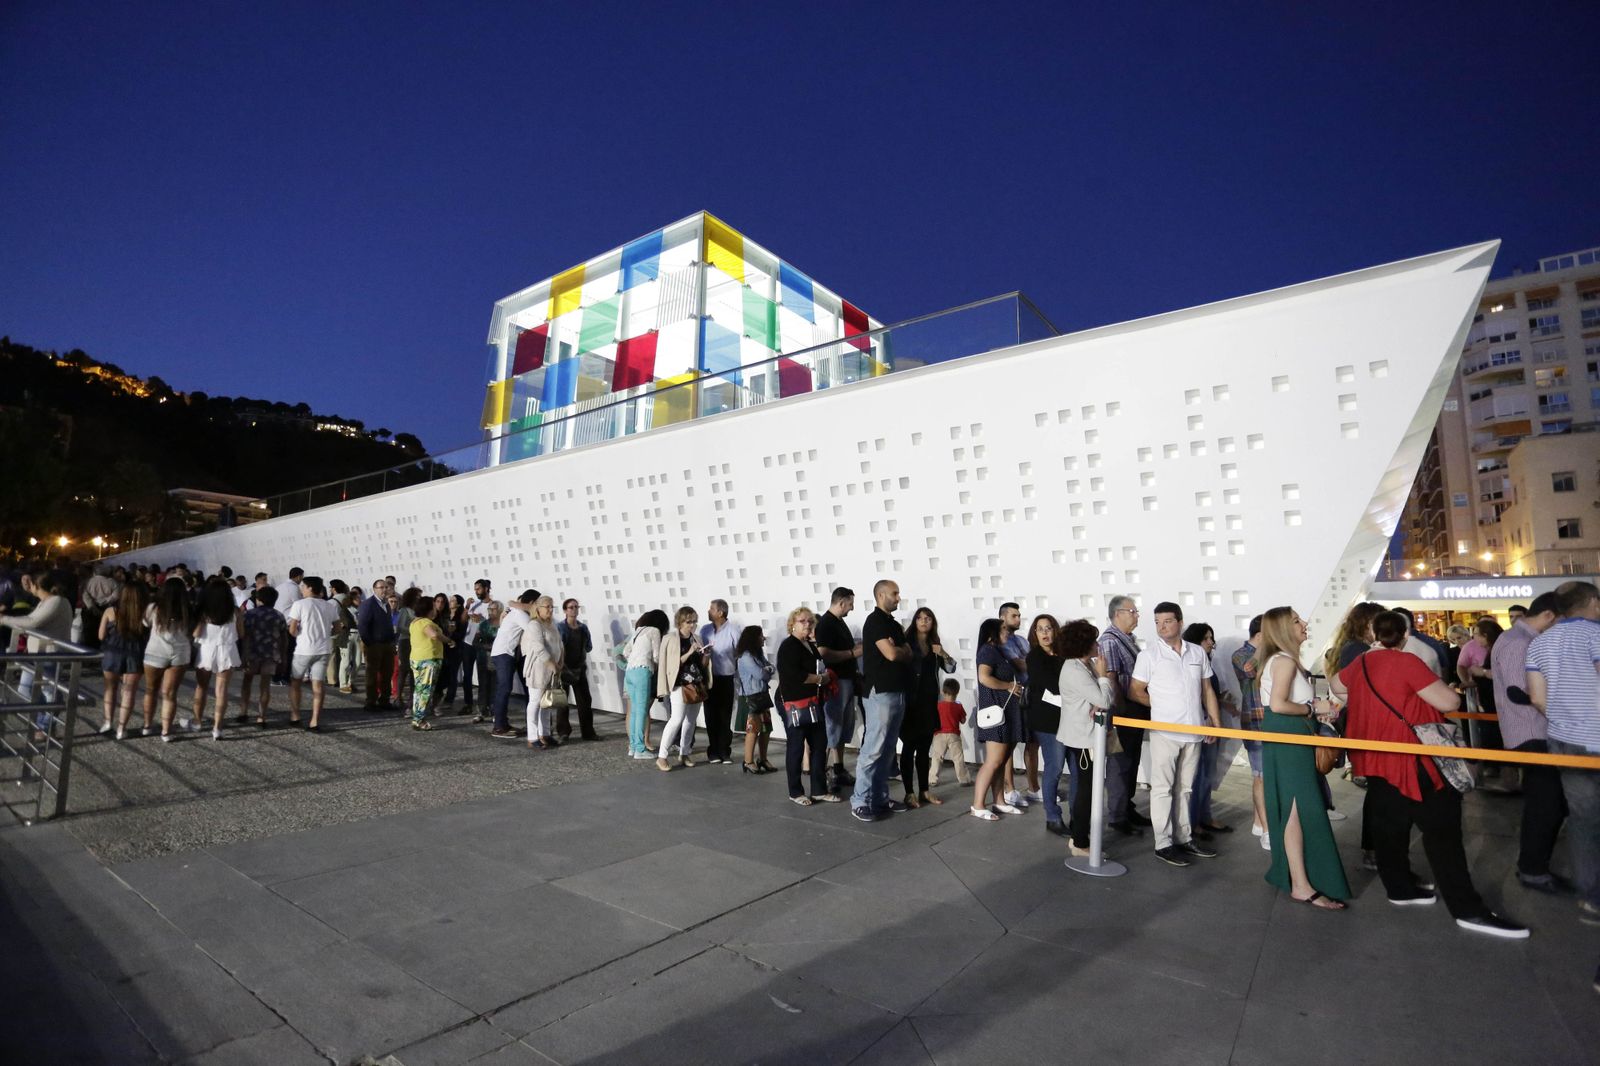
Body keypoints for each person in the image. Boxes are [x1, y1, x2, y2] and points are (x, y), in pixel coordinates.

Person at [1333, 610, 1528, 938]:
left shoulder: (1362, 662)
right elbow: (1449, 701)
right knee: (1443, 833)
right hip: (1413, 758)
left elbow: (1339, 689)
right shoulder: (1406, 662)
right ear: (1405, 635)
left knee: (1389, 826)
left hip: (1376, 758)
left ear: (1373, 634)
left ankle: (1399, 887)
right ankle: (1467, 909)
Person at [1256, 607, 1349, 910]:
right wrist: (1312, 709)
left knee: (1295, 808)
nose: (1304, 623)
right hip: (1289, 736)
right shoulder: (1283, 661)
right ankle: (1301, 884)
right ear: (1283, 628)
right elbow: (1279, 705)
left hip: (1289, 736)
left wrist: (1312, 707)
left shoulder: (1281, 661)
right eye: (1296, 620)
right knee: (1298, 808)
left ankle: (1300, 880)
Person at [1525, 582, 1600, 927]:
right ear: (1593, 604)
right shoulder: (1595, 635)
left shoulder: (1539, 643)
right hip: (1596, 738)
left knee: (1583, 820)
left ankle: (1591, 897)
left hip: (1563, 740)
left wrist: (1563, 719)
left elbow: (1538, 699)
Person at [1129, 601, 1221, 867]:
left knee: (1186, 788)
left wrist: (1213, 722)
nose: (1161, 626)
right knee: (1162, 789)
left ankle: (1185, 837)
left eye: (1167, 621)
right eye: (1157, 622)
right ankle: (1163, 843)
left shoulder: (1197, 653)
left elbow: (1207, 690)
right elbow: (1135, 690)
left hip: (1194, 731)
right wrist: (1159, 708)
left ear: (1179, 622)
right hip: (1165, 732)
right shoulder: (1148, 656)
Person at [1491, 591, 1568, 892]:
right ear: (1549, 615)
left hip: (1532, 731)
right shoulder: (1518, 643)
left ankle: (1534, 867)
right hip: (1529, 733)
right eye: (1560, 621)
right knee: (1545, 804)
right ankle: (1533, 869)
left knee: (1549, 803)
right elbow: (1517, 691)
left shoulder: (1518, 639)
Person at [852, 580, 912, 821]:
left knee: (887, 750)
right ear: (880, 595)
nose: (898, 598)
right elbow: (892, 653)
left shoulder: (893, 625)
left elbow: (907, 651)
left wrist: (902, 651)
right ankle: (860, 800)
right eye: (894, 593)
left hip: (896, 690)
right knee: (873, 749)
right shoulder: (875, 621)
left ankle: (879, 797)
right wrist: (900, 651)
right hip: (880, 693)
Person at [1056, 618, 1111, 857]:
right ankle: (1080, 842)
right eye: (1093, 640)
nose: (1097, 644)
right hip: (1085, 739)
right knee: (1087, 791)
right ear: (1084, 643)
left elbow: (1099, 701)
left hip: (1087, 736)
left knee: (1088, 789)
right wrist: (1103, 676)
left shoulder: (1079, 666)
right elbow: (1106, 700)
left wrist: (1098, 697)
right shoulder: (1076, 670)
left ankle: (1080, 839)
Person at [777, 607, 841, 805]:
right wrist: (821, 679)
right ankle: (795, 792)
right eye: (802, 621)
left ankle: (819, 789)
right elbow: (793, 675)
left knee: (819, 745)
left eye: (810, 622)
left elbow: (819, 665)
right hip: (794, 703)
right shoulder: (788, 646)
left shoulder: (809, 645)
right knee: (796, 747)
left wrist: (824, 678)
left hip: (813, 702)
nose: (807, 625)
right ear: (792, 624)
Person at [1098, 595, 1149, 836]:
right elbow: (1111, 676)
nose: (1137, 615)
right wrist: (1120, 709)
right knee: (1120, 763)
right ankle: (1118, 815)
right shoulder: (1109, 640)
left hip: (1135, 709)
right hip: (1123, 711)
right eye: (1133, 611)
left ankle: (1127, 807)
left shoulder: (1128, 640)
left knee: (1132, 760)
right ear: (1118, 613)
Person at [1184, 621, 1236, 838]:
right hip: (1203, 726)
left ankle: (1203, 816)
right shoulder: (1192, 664)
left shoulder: (1206, 663)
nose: (1211, 643)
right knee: (1200, 775)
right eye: (1206, 638)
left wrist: (1222, 704)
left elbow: (1208, 694)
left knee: (1207, 774)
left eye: (1211, 638)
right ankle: (1194, 820)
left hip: (1212, 725)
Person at [901, 606, 956, 807]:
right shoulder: (906, 644)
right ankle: (908, 793)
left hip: (928, 702)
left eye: (928, 618)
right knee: (909, 748)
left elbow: (951, 667)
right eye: (920, 618)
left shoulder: (935, 645)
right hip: (909, 703)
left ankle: (924, 790)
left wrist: (942, 653)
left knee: (924, 750)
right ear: (914, 622)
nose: (924, 621)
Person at [970, 618, 1024, 820]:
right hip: (995, 713)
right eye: (1003, 629)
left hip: (1006, 711)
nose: (1007, 631)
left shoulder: (999, 651)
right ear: (992, 632)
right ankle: (978, 804)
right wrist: (1008, 686)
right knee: (993, 761)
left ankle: (999, 801)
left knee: (1001, 761)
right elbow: (984, 677)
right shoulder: (987, 651)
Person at [815, 587, 863, 792]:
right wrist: (853, 653)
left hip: (846, 679)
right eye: (850, 604)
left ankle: (838, 767)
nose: (851, 609)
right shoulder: (825, 624)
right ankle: (822, 771)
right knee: (832, 725)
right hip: (836, 681)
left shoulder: (838, 622)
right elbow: (824, 653)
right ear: (841, 602)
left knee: (843, 725)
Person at [1025, 614, 1069, 834]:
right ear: (1035, 633)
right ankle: (1052, 816)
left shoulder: (1063, 654)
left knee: (1075, 770)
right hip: (1048, 721)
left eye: (1048, 628)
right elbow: (1052, 685)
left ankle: (1075, 817)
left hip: (1070, 718)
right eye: (1040, 629)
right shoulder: (1034, 657)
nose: (1044, 633)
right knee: (1055, 767)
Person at [1232, 615, 1270, 849]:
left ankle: (1259, 822)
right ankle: (1266, 829)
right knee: (1260, 774)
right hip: (1256, 721)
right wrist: (1264, 650)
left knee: (1263, 775)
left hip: (1268, 720)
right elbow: (1248, 670)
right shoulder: (1241, 654)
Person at [286, 576, 341, 732]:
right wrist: (324, 633)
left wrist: (299, 634)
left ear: (310, 587)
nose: (301, 589)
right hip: (323, 649)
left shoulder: (299, 605)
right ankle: (314, 720)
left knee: (295, 682)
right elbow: (337, 628)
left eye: (303, 587)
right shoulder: (328, 606)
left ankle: (295, 715)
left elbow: (292, 628)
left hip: (303, 650)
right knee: (318, 685)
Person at [1001, 601, 1042, 808]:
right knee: (1010, 743)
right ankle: (1009, 789)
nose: (1018, 619)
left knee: (1033, 742)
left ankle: (1034, 788)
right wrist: (1031, 663)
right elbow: (1022, 663)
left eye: (1019, 616)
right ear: (1003, 618)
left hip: (1030, 695)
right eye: (1014, 616)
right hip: (1013, 698)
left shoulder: (1021, 641)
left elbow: (1030, 661)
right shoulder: (1001, 643)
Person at [656, 606, 708, 770]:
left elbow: (702, 665)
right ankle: (662, 756)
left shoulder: (697, 638)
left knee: (690, 721)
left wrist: (705, 655)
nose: (692, 625)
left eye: (694, 621)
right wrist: (690, 651)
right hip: (679, 684)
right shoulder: (671, 638)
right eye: (688, 622)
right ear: (680, 622)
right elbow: (671, 664)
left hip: (696, 683)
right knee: (676, 719)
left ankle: (684, 752)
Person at [142, 577, 193, 741]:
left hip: (155, 651)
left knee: (151, 690)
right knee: (170, 694)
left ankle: (147, 726)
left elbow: (144, 623)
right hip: (180, 653)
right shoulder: (187, 609)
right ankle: (166, 731)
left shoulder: (154, 608)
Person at [191, 576, 242, 739]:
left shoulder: (205, 611)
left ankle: (197, 721)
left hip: (207, 651)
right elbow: (241, 634)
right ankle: (217, 728)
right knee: (222, 691)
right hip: (227, 651)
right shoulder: (235, 611)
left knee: (201, 687)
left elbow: (196, 633)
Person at [100, 582, 148, 739]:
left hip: (113, 653)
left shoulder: (110, 611)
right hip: (135, 654)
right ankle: (122, 728)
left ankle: (108, 722)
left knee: (110, 689)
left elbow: (100, 636)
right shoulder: (144, 613)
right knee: (129, 692)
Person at [488, 590, 537, 739]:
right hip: (504, 654)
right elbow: (533, 630)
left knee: (504, 688)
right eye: (537, 603)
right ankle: (498, 727)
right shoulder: (519, 614)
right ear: (530, 603)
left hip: (504, 653)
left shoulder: (514, 611)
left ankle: (503, 723)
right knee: (504, 689)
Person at [696, 599, 739, 763]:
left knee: (725, 715)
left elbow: (739, 652)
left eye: (712, 609)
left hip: (726, 677)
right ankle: (713, 751)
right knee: (710, 715)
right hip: (709, 677)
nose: (709, 611)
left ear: (721, 612)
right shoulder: (705, 630)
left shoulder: (733, 630)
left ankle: (724, 751)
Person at [622, 609, 667, 758]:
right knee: (641, 711)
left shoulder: (638, 630)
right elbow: (657, 655)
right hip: (642, 671)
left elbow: (625, 652)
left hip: (630, 671)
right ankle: (640, 750)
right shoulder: (654, 631)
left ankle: (633, 746)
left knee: (635, 711)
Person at [239, 586, 287, 726]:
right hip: (271, 654)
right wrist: (283, 657)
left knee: (246, 682)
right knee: (265, 686)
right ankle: (262, 717)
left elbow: (243, 636)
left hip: (251, 653)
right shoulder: (279, 615)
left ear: (258, 599)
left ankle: (243, 712)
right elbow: (284, 638)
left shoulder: (249, 614)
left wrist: (243, 655)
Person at [521, 595, 564, 748]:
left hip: (552, 670)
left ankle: (544, 734)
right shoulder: (534, 625)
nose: (550, 610)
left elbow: (560, 644)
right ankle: (532, 737)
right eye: (547, 607)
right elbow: (539, 647)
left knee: (546, 703)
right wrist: (552, 664)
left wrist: (560, 663)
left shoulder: (553, 624)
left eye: (552, 607)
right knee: (535, 702)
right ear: (538, 609)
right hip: (539, 669)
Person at [735, 624, 776, 774]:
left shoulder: (757, 654)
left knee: (766, 729)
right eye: (760, 635)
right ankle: (748, 761)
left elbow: (771, 667)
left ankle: (763, 759)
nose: (763, 638)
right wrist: (767, 670)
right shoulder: (746, 656)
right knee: (753, 730)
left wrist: (767, 670)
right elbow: (761, 674)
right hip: (751, 697)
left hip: (762, 695)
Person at [408, 595, 452, 731]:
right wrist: (448, 640)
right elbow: (434, 635)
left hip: (417, 658)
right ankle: (419, 720)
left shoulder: (415, 622)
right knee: (425, 690)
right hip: (428, 660)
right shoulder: (425, 623)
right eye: (433, 607)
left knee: (419, 690)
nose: (436, 610)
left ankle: (417, 717)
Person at [559, 598, 599, 740]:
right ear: (565, 610)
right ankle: (563, 732)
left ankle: (588, 732)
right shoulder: (561, 628)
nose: (574, 609)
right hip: (563, 668)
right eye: (571, 607)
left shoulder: (583, 627)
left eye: (576, 607)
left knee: (584, 701)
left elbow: (589, 646)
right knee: (562, 702)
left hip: (579, 668)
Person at [357, 579, 397, 710]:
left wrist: (392, 640)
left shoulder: (386, 605)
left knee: (387, 673)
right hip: (374, 644)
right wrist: (369, 643)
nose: (384, 590)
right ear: (374, 589)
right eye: (381, 588)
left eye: (386, 587)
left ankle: (384, 699)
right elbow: (362, 625)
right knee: (372, 674)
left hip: (387, 644)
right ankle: (371, 701)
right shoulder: (368, 604)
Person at [929, 679, 970, 786]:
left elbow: (932, 718)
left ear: (943, 691)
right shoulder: (958, 706)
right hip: (954, 735)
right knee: (958, 758)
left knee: (937, 757)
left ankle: (932, 780)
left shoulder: (938, 705)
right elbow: (963, 720)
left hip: (939, 735)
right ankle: (964, 780)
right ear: (957, 692)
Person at [271, 567, 303, 686]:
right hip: (289, 625)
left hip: (277, 623)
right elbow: (299, 605)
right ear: (299, 576)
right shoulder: (294, 588)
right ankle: (284, 677)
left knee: (280, 652)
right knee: (288, 652)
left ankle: (276, 677)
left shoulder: (279, 587)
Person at [473, 600, 502, 725]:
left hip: (498, 659)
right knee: (483, 685)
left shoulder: (503, 624)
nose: (491, 611)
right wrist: (485, 646)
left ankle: (496, 711)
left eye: (494, 609)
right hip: (483, 658)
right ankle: (481, 710)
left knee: (496, 686)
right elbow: (475, 641)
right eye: (489, 609)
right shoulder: (484, 624)